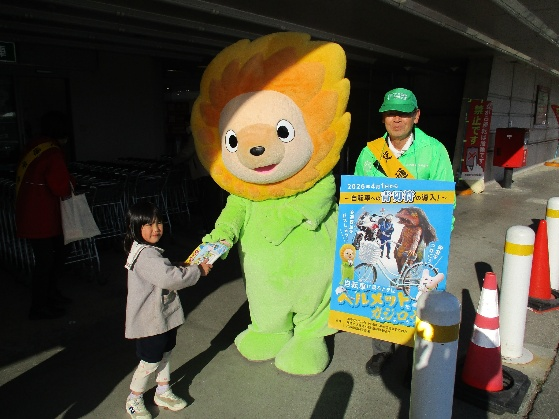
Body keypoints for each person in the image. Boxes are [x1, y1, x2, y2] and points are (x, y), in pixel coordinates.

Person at [354, 87, 454, 377]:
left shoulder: (434, 151)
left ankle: (416, 354)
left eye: (404, 114)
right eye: (390, 114)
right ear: (383, 117)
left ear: (416, 116)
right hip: (385, 232)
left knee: (416, 288)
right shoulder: (370, 154)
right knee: (382, 286)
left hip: (417, 234)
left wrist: (442, 236)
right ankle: (382, 350)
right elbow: (356, 198)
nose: (397, 119)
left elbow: (446, 201)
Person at [123, 201, 212, 418]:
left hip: (160, 316)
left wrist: (181, 265)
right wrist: (197, 271)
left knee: (165, 351)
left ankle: (162, 390)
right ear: (135, 227)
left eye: (159, 222)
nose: (156, 228)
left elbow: (164, 270)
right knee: (150, 360)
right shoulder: (146, 255)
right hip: (150, 320)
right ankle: (134, 398)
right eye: (148, 224)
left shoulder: (148, 250)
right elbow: (168, 278)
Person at [15, 110, 74, 320]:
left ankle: (50, 295)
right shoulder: (53, 153)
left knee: (48, 259)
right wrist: (73, 183)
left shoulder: (33, 146)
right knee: (48, 261)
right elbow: (60, 187)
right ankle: (40, 305)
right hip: (43, 217)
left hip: (29, 213)